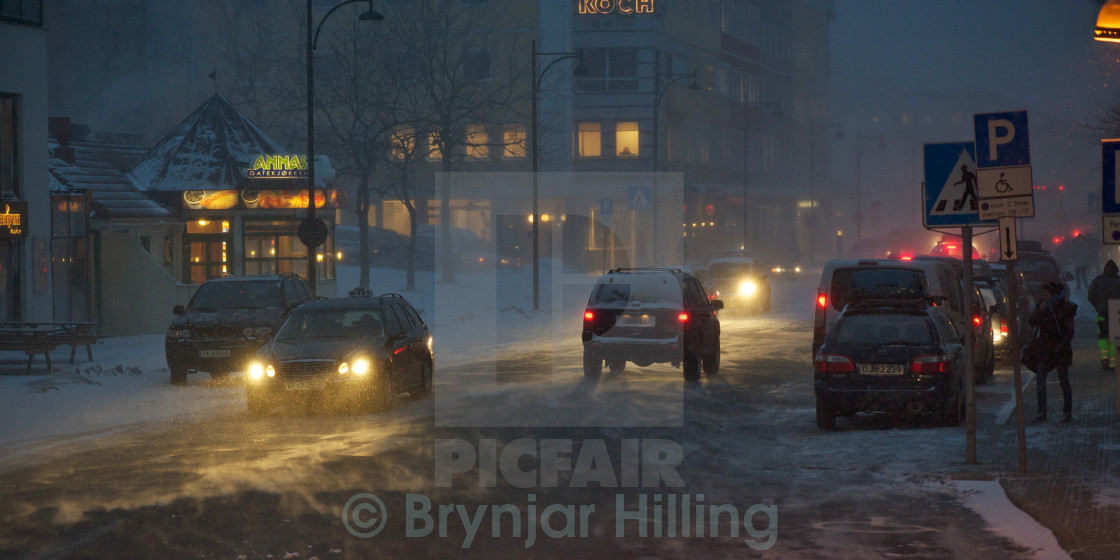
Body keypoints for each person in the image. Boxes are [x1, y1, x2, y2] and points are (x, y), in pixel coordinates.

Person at [1028, 282, 1076, 422]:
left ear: (1054, 295)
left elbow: (1069, 332)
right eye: (1043, 295)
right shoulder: (1043, 307)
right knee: (1040, 380)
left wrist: (1061, 346)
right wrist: (1040, 310)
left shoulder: (1064, 308)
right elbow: (1032, 322)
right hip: (1045, 349)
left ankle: (1067, 412)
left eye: (1046, 295)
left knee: (1063, 381)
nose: (1044, 298)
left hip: (1061, 350)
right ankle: (1042, 411)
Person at [1088, 259, 1120, 370]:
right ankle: (1113, 363)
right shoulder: (1118, 281)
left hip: (1102, 313)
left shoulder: (1097, 281)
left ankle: (1104, 358)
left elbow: (1090, 296)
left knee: (1102, 336)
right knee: (1114, 338)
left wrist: (1098, 306)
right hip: (1116, 312)